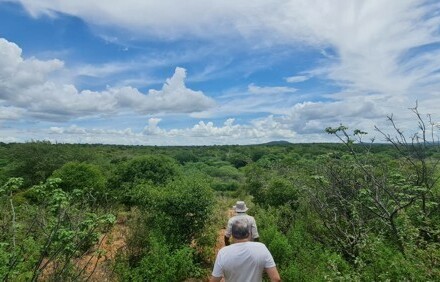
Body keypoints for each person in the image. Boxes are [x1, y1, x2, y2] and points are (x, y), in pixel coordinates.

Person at [210, 219, 281, 282]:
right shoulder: (261, 248)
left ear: (232, 235)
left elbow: (214, 280)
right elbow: (276, 279)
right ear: (249, 234)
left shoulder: (223, 253)